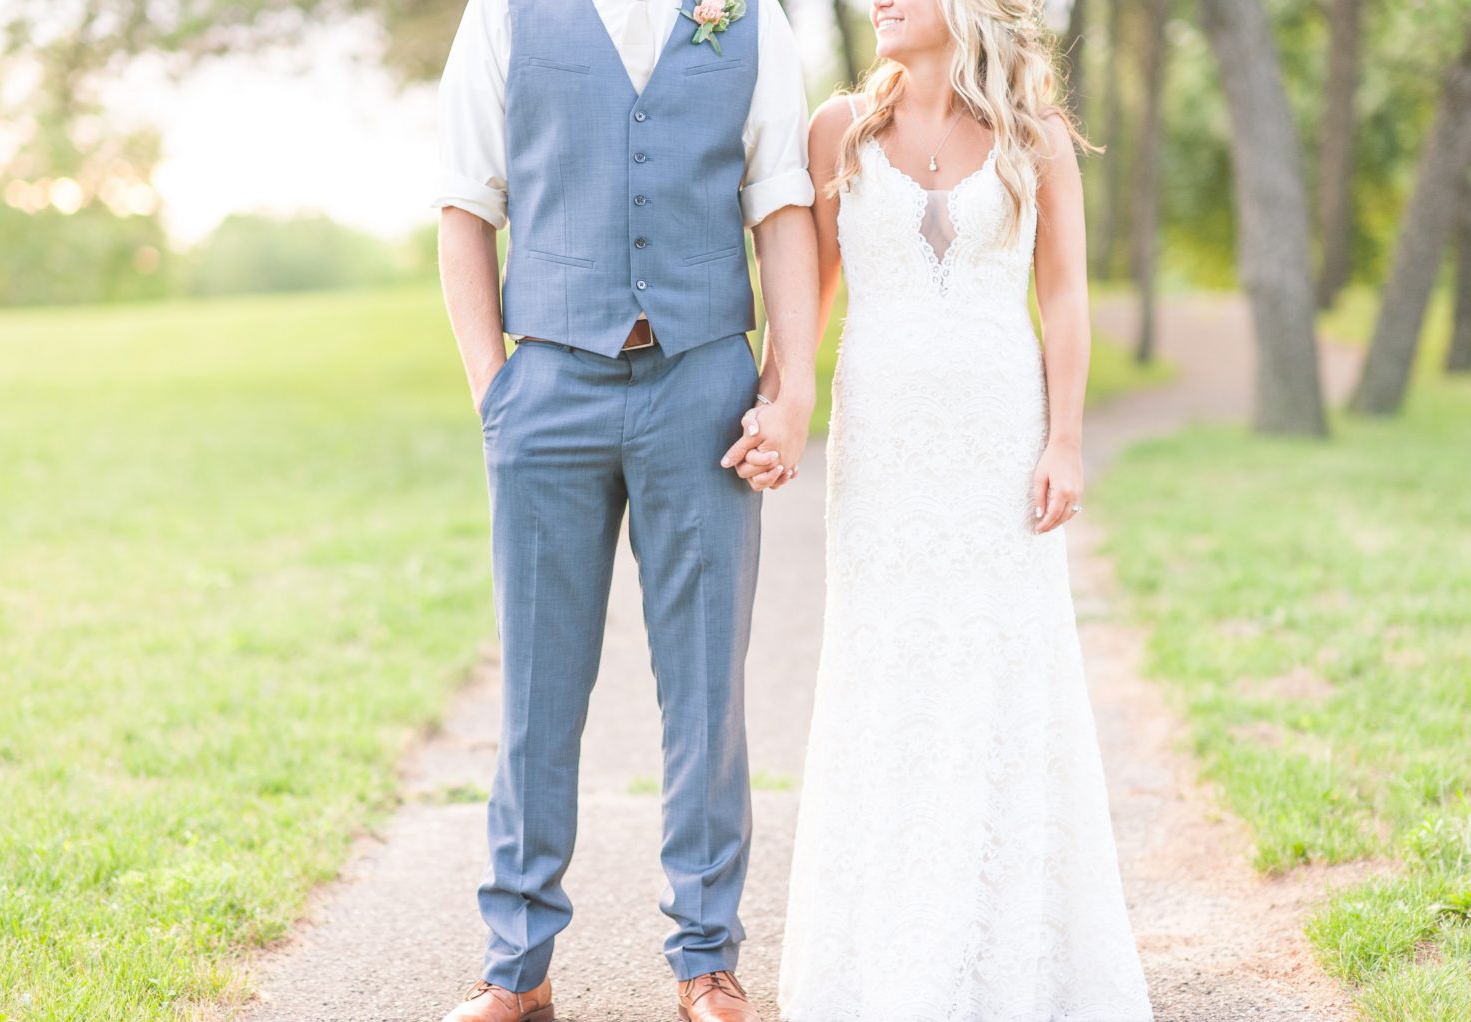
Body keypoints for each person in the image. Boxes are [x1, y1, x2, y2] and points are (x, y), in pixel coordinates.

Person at [744, 0, 1156, 1016]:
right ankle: (882, 952)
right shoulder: (838, 130)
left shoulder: (1036, 135)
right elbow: (813, 290)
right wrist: (776, 396)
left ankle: (1009, 952)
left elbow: (1062, 295)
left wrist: (1063, 436)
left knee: (1001, 665)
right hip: (882, 448)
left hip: (997, 441)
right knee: (888, 665)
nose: (879, 1)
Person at [429, 1, 819, 1020]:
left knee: (705, 687)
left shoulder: (752, 22)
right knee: (534, 689)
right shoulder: (506, 16)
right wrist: (494, 391)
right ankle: (516, 963)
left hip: (704, 388)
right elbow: (466, 205)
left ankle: (705, 957)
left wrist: (790, 383)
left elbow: (782, 208)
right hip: (548, 388)